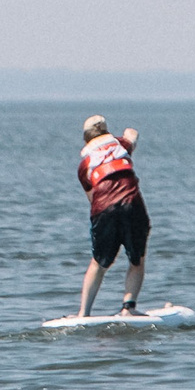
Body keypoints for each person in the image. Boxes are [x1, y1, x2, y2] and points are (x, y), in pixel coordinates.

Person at [72, 114, 149, 318]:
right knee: (136, 260)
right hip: (131, 204)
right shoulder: (121, 145)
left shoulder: (84, 166)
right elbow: (133, 133)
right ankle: (128, 308)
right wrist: (127, 135)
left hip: (103, 210)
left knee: (98, 263)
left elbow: (92, 198)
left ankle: (83, 314)